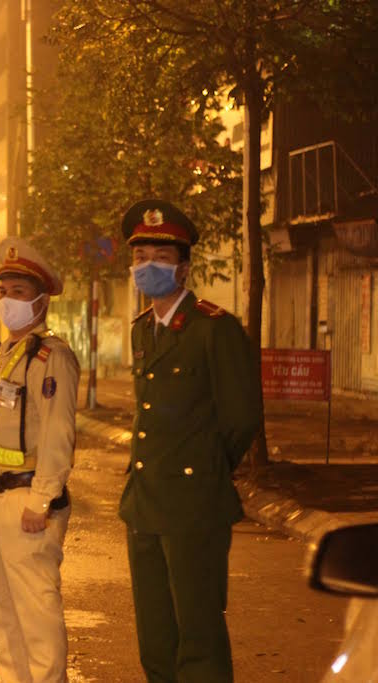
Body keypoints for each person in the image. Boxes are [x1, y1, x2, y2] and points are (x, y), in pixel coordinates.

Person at [119, 199, 263, 682]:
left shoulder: (213, 328)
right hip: (143, 504)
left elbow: (241, 418)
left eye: (159, 258)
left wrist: (202, 469)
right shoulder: (143, 331)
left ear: (183, 267)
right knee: (155, 637)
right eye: (139, 258)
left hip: (193, 504)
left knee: (198, 637)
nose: (147, 268)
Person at [0, 238, 78, 683]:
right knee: (3, 616)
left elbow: (57, 432)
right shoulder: (7, 353)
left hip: (27, 502)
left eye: (17, 292)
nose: (7, 301)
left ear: (40, 299)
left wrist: (44, 497)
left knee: (36, 616)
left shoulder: (51, 356)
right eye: (3, 291)